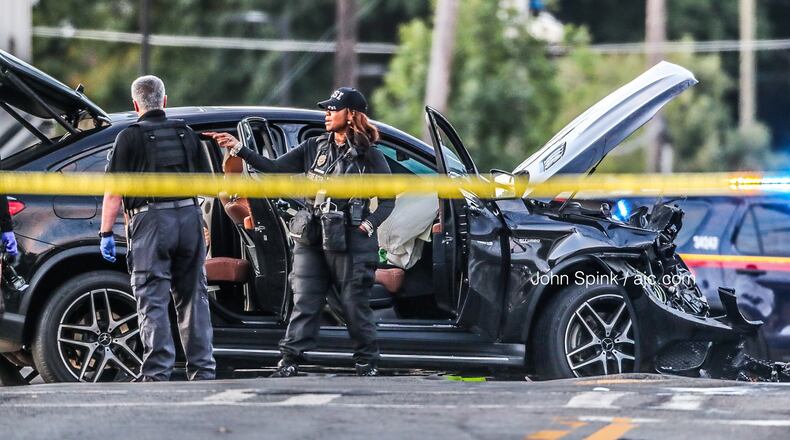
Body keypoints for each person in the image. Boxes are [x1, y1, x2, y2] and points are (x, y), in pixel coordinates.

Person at [208, 87, 394, 377]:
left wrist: (369, 224)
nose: (328, 114)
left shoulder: (370, 156)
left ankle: (366, 361)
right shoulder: (314, 146)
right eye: (327, 108)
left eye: (334, 109)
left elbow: (388, 200)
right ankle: (290, 359)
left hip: (351, 238)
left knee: (354, 304)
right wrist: (238, 148)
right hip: (312, 234)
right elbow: (273, 167)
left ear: (352, 114)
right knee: (305, 299)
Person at [99, 75, 215, 382]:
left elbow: (114, 192)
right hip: (189, 218)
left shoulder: (128, 137)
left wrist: (106, 233)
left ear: (135, 103)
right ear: (165, 101)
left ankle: (157, 373)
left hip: (150, 222)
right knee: (194, 296)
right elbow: (207, 184)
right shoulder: (186, 133)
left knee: (152, 297)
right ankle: (203, 370)